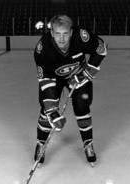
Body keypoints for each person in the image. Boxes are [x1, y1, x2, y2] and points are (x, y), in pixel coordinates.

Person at [33, 14, 107, 167]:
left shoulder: (82, 37)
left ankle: (88, 143)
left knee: (82, 106)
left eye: (65, 33)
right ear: (51, 33)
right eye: (58, 34)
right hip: (53, 78)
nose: (61, 39)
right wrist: (52, 112)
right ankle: (41, 143)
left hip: (78, 74)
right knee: (45, 112)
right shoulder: (42, 49)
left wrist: (85, 74)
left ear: (71, 32)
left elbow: (101, 49)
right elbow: (46, 82)